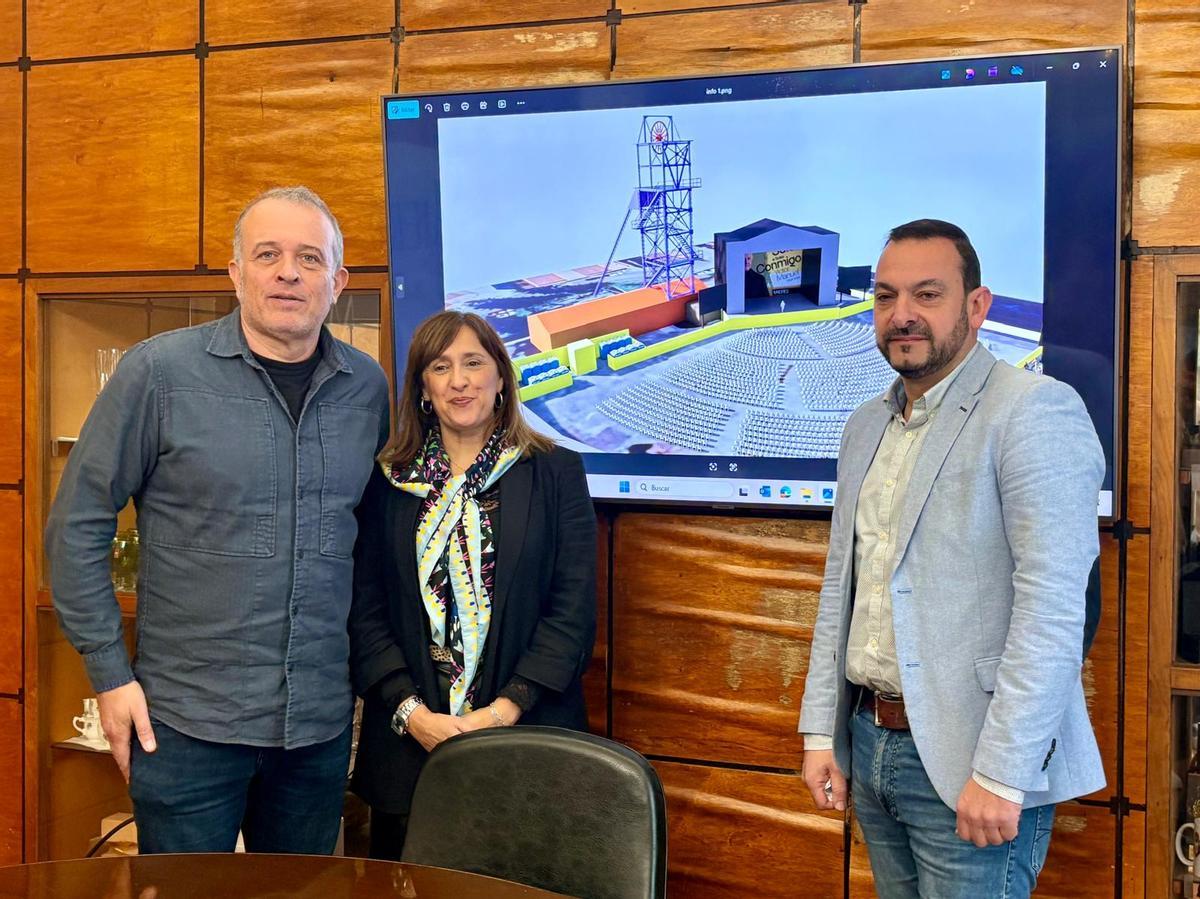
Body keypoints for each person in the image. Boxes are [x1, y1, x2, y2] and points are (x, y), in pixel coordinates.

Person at [45, 186, 389, 854]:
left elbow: (372, 546)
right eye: (269, 254)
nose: (289, 271)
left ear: (338, 281)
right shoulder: (159, 375)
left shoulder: (366, 389)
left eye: (310, 258)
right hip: (183, 729)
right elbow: (77, 524)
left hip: (315, 733)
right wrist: (111, 678)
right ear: (236, 273)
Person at [798, 219, 1105, 898]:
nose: (901, 314)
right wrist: (822, 728)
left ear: (976, 305)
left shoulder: (1034, 412)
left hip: (975, 761)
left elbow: (1053, 610)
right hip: (872, 742)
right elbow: (842, 589)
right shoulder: (863, 426)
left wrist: (1003, 769)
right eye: (884, 296)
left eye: (926, 294)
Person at [348, 310, 597, 860]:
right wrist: (415, 716)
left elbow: (571, 616)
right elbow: (364, 614)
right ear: (422, 388)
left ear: (502, 377)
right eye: (441, 366)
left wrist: (497, 716)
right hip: (409, 749)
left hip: (527, 740)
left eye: (473, 363)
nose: (459, 380)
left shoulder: (556, 474)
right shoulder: (387, 481)